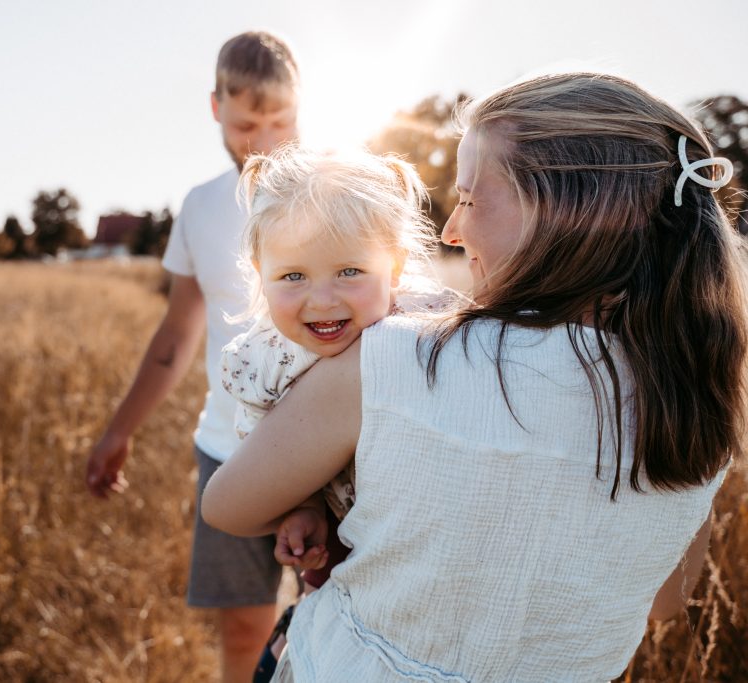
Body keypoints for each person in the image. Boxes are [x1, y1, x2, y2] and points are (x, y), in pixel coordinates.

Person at [202, 72, 746, 682]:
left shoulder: (397, 358)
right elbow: (663, 602)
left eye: (468, 197)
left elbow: (229, 506)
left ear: (561, 210)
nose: (453, 230)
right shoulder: (698, 393)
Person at [85, 30, 300, 682]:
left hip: (324, 453)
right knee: (242, 629)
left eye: (280, 121)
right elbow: (176, 334)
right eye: (244, 124)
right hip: (227, 450)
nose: (261, 140)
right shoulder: (202, 207)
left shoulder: (330, 191)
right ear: (215, 109)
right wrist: (120, 428)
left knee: (327, 625)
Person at [220, 145, 458, 589]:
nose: (323, 300)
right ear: (261, 273)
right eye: (293, 276)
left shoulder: (430, 325)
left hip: (432, 536)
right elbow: (271, 456)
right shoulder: (262, 359)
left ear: (395, 267)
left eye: (350, 271)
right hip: (343, 540)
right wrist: (306, 508)